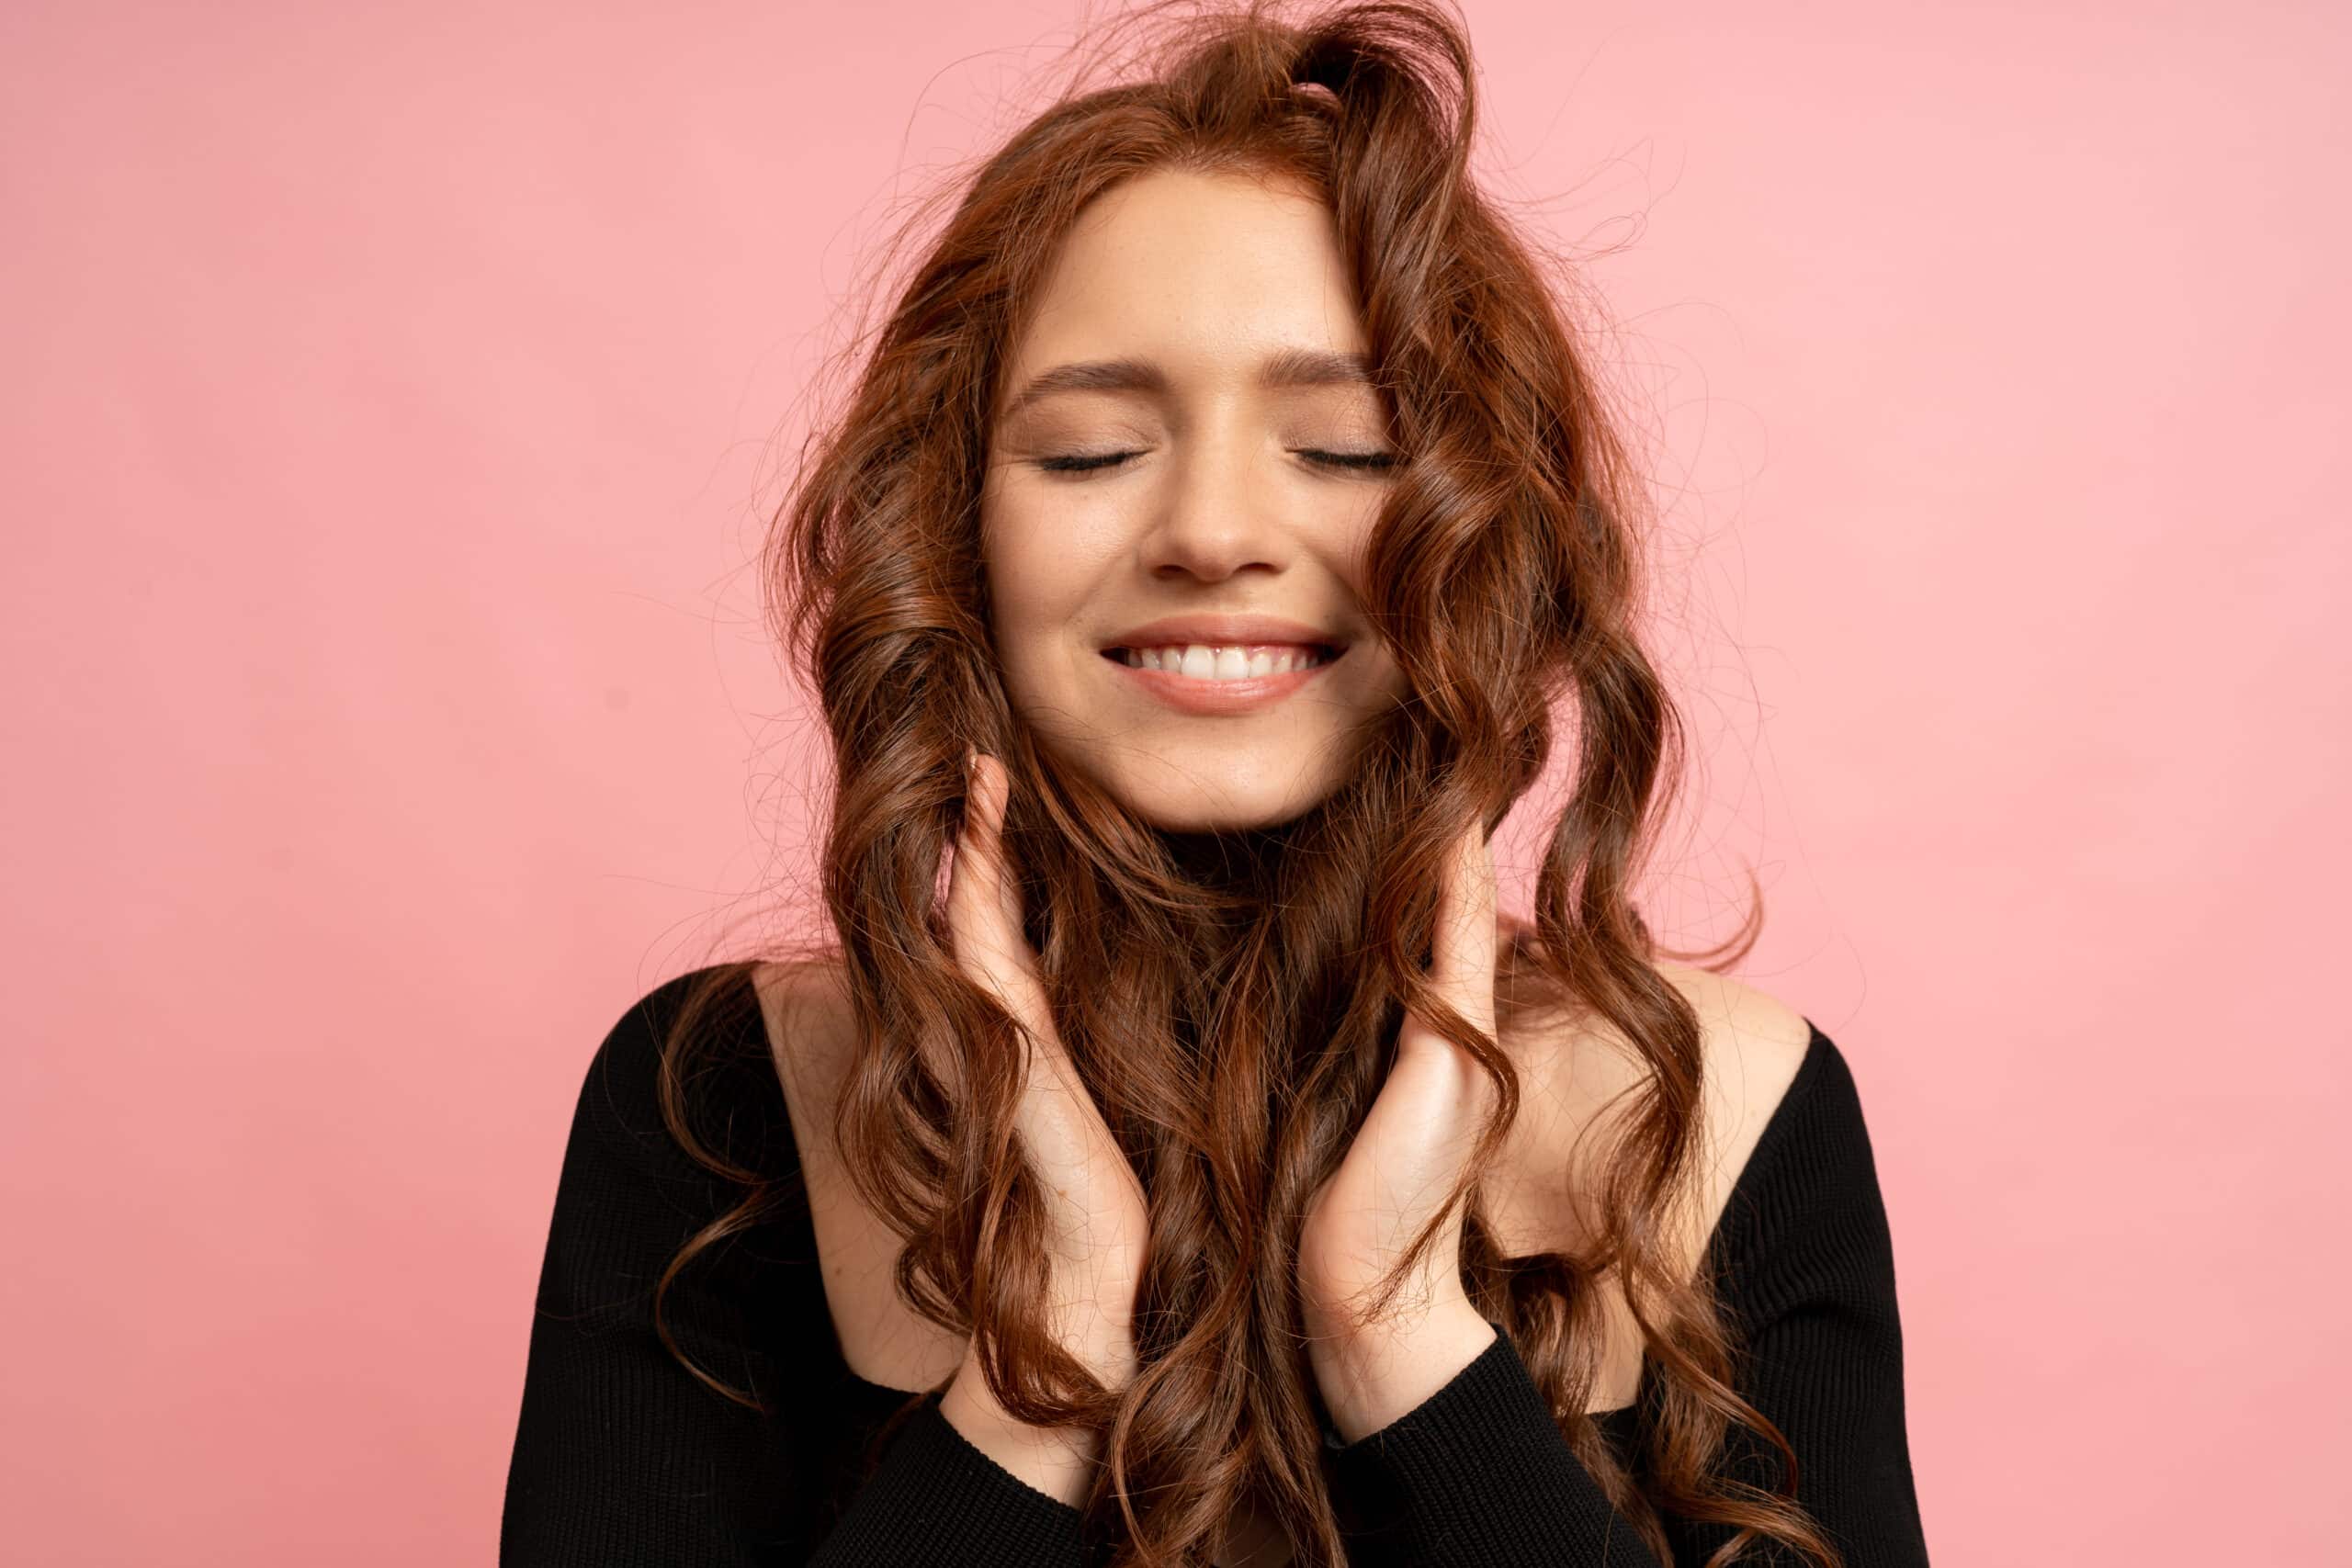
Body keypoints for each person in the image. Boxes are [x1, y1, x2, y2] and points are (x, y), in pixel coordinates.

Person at [499, 3, 1931, 1563]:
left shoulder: (1728, 1112)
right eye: (1092, 453)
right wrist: (1040, 1374)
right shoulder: (719, 1100)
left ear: (1486, 530)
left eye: (1340, 446)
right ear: (951, 535)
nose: (1212, 531)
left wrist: (1401, 1343)